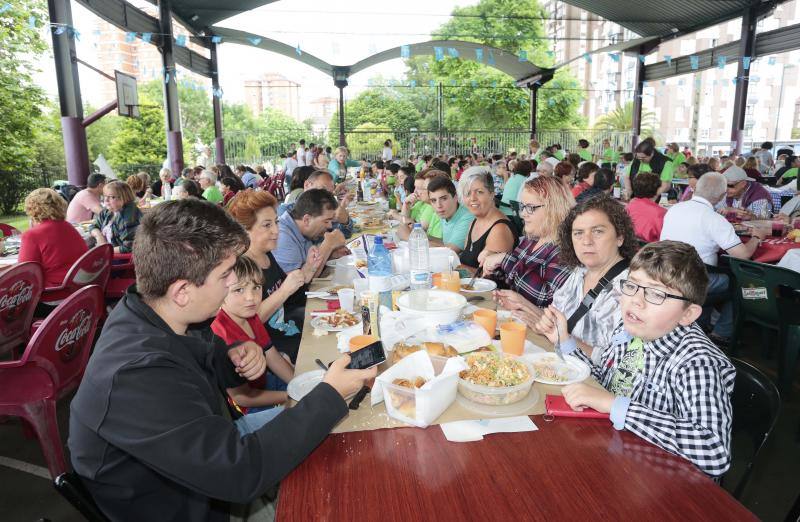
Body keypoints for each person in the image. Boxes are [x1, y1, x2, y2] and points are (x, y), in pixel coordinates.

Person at [69, 198, 376, 520]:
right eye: (226, 275)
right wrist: (329, 393)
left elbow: (204, 351)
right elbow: (240, 473)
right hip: (194, 503)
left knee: (348, 437)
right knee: (340, 497)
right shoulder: (137, 374)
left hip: (214, 452)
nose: (234, 283)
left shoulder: (163, 312)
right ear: (183, 291)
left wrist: (232, 352)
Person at [538, 241, 735, 478]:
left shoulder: (696, 362)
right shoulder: (629, 331)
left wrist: (614, 405)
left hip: (665, 484)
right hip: (617, 458)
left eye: (655, 293)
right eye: (632, 286)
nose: (636, 301)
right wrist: (565, 341)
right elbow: (607, 384)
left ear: (688, 314)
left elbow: (714, 451)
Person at [661, 172, 768, 345]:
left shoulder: (675, 209)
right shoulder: (714, 219)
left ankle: (704, 325)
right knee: (742, 282)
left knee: (719, 273)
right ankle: (722, 332)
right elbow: (744, 255)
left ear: (696, 188)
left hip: (666, 271)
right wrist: (757, 237)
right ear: (722, 196)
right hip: (695, 279)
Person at [535, 195, 638, 363]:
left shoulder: (632, 290)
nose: (586, 241)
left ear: (620, 237)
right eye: (578, 233)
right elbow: (554, 321)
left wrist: (564, 339)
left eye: (598, 231)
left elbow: (616, 367)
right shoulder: (579, 272)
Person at [228, 190, 315, 363]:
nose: (276, 230)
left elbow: (288, 300)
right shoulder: (240, 268)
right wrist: (284, 290)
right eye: (267, 225)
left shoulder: (266, 255)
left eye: (276, 222)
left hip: (289, 330)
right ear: (244, 230)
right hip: (272, 352)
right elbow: (248, 322)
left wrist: (308, 269)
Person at [211, 255, 295, 414]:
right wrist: (290, 395)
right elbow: (242, 398)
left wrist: (298, 385)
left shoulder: (251, 316)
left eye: (256, 287)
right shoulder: (221, 334)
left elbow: (272, 356)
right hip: (247, 407)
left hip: (264, 382)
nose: (251, 298)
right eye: (239, 290)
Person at [481, 176, 573, 317]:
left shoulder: (564, 248)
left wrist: (505, 260)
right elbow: (514, 280)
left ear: (553, 209)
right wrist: (494, 270)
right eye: (522, 207)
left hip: (541, 332)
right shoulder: (531, 240)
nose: (523, 214)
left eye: (530, 208)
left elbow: (547, 297)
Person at [19, 188, 88, 314]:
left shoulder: (32, 235)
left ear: (32, 209)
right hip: (80, 289)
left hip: (53, 297)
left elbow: (25, 273)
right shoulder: (69, 227)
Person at [274, 189, 347, 276]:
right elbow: (300, 284)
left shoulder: (304, 230)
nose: (330, 226)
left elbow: (306, 265)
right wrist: (328, 246)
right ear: (307, 220)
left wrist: (330, 255)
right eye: (326, 221)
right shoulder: (282, 237)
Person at [458, 168, 516, 269]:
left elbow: (489, 277)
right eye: (467, 193)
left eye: (479, 192)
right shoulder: (475, 221)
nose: (472, 198)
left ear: (492, 194)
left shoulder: (500, 229)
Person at [279, 170, 355, 238]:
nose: (326, 197)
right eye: (322, 189)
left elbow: (345, 234)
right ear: (307, 185)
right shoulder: (286, 212)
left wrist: (345, 221)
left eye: (330, 193)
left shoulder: (326, 209)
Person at [424, 176, 475, 253]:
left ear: (455, 198)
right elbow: (446, 243)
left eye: (444, 199)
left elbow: (449, 251)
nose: (438, 205)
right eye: (434, 200)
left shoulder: (467, 217)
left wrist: (411, 239)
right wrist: (422, 237)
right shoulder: (446, 212)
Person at [89, 180, 142, 254]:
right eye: (105, 196)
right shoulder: (107, 211)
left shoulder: (128, 217)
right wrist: (99, 237)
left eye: (112, 197)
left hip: (124, 260)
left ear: (124, 198)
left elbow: (128, 247)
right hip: (109, 252)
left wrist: (104, 251)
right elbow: (93, 226)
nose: (106, 200)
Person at [625, 172, 666, 242]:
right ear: (657, 190)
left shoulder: (629, 206)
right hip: (651, 250)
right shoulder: (661, 213)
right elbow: (664, 239)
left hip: (629, 248)